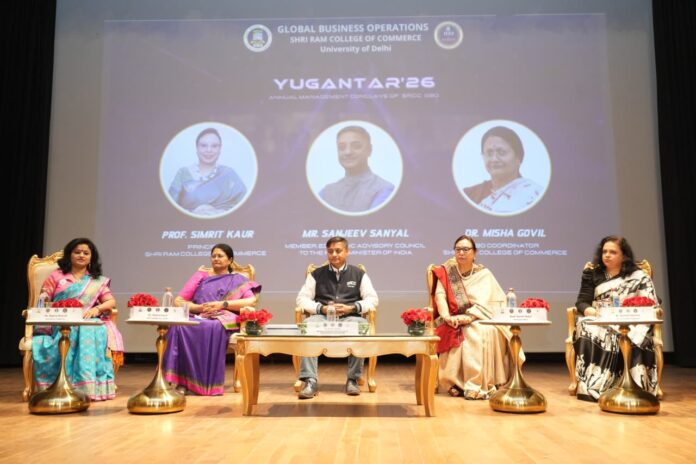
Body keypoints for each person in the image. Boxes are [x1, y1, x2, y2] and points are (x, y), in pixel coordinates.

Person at [32, 238, 124, 400]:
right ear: (70, 255)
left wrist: (96, 309)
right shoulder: (57, 275)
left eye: (86, 253)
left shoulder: (96, 280)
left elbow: (110, 301)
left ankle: (87, 388)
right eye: (77, 252)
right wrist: (45, 297)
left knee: (91, 327)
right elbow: (44, 297)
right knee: (75, 328)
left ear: (91, 257)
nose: (81, 255)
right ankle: (65, 384)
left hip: (86, 320)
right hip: (61, 321)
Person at [163, 243, 261, 395]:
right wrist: (200, 308)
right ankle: (182, 382)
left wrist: (222, 304)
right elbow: (179, 301)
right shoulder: (201, 275)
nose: (216, 259)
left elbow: (251, 301)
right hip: (199, 314)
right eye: (213, 256)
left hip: (223, 316)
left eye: (220, 256)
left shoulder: (238, 280)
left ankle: (204, 383)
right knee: (178, 326)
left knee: (210, 326)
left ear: (230, 260)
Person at [572, 235, 659, 401]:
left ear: (624, 256)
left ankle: (632, 385)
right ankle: (593, 386)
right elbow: (582, 301)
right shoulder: (593, 274)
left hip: (631, 320)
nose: (607, 255)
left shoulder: (638, 276)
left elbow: (651, 303)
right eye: (604, 251)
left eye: (612, 252)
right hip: (601, 319)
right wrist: (591, 311)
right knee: (585, 326)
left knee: (636, 332)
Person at [430, 235, 517, 400]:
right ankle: (455, 383)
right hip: (453, 317)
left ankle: (477, 383)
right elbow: (440, 296)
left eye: (465, 249)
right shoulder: (447, 271)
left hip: (480, 316)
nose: (461, 253)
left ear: (474, 253)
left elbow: (488, 302)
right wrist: (447, 316)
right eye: (458, 249)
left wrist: (469, 317)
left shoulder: (484, 274)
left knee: (480, 330)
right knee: (469, 330)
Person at [296, 236, 379, 398]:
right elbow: (301, 299)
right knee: (307, 326)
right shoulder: (316, 274)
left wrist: (352, 308)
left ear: (347, 252)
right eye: (330, 251)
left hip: (350, 317)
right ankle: (310, 380)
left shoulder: (358, 274)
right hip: (323, 317)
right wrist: (321, 308)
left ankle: (353, 379)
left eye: (338, 251)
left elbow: (373, 299)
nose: (334, 254)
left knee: (362, 327)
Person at [168, 127, 247, 216]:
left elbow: (245, 207)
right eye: (203, 145)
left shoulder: (228, 174)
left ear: (220, 149)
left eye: (214, 146)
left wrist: (219, 212)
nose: (209, 150)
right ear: (197, 148)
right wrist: (193, 213)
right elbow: (169, 208)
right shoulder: (183, 173)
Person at [464, 126, 543, 214]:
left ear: (518, 157)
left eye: (501, 152)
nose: (494, 159)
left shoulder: (534, 195)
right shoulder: (470, 194)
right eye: (489, 153)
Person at [319, 125, 395, 212]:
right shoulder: (327, 192)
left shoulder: (384, 189)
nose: (348, 152)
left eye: (356, 146)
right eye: (341, 148)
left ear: (369, 150)